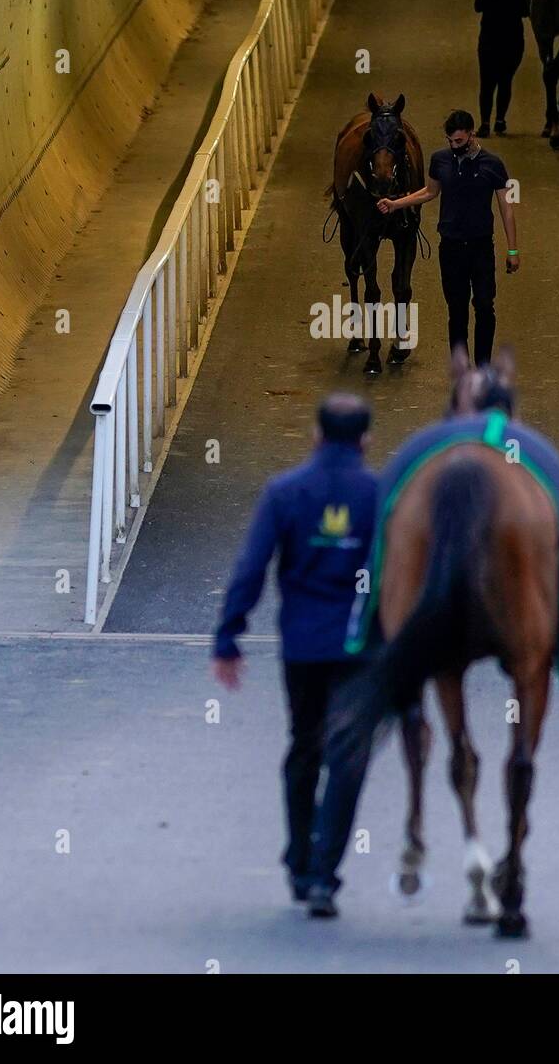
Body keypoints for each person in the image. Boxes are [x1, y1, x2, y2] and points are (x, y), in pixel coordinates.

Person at [212, 393, 378, 920]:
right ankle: (326, 875)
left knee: (304, 745)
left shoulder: (285, 493)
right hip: (359, 648)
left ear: (316, 435)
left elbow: (251, 567)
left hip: (302, 646)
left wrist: (228, 637)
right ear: (366, 440)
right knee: (348, 756)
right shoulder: (381, 496)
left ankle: (299, 861)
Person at [377, 109, 519, 365]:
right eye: (450, 141)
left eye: (459, 142)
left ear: (472, 135)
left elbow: (506, 208)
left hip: (481, 247)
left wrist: (512, 250)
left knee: (485, 306)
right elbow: (429, 192)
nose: (454, 147)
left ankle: (483, 365)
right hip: (451, 248)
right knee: (457, 309)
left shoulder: (493, 165)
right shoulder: (440, 160)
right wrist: (397, 203)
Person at [474, 0, 528, 138]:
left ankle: (485, 123)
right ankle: (500, 119)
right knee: (505, 81)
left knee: (487, 85)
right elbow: (525, 12)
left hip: (489, 41)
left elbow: (477, 7)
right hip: (512, 41)